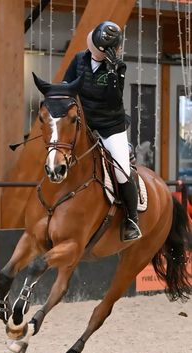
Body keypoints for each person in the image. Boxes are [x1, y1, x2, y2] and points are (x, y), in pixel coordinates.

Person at [63, 21, 142, 241]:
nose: (96, 53)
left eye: (102, 50)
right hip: (86, 124)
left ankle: (131, 219)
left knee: (121, 171)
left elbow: (113, 100)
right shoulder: (79, 59)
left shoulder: (118, 68)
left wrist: (114, 73)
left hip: (110, 128)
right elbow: (67, 84)